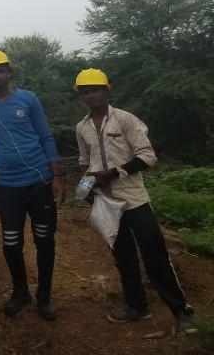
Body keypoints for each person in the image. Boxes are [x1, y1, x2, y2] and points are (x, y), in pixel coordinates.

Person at [73, 68, 197, 334]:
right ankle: (137, 306)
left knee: (156, 256)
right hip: (106, 203)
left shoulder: (125, 120)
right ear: (81, 96)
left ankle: (181, 311)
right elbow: (85, 163)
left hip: (134, 199)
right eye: (85, 91)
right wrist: (87, 190)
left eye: (96, 89)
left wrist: (115, 172)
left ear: (107, 90)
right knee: (123, 257)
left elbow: (147, 156)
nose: (91, 94)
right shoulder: (81, 127)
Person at [0, 49, 65, 320]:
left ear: (9, 72)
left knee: (44, 239)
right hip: (8, 187)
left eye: (0, 70)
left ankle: (44, 296)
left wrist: (56, 176)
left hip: (40, 182)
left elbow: (45, 137)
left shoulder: (28, 99)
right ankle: (20, 291)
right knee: (11, 242)